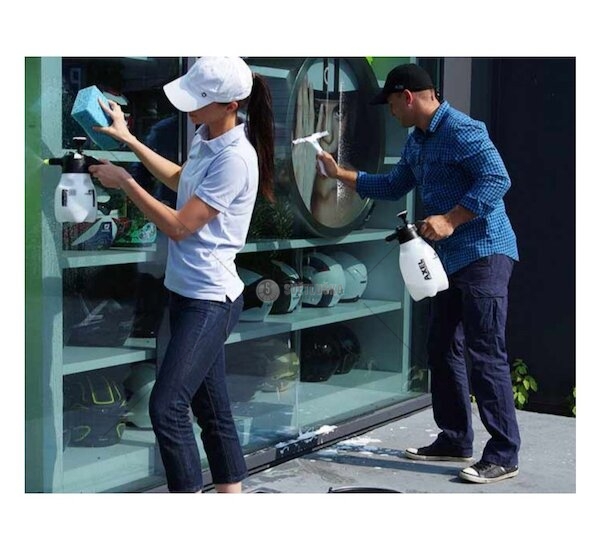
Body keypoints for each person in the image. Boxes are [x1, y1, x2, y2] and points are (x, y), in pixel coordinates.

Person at [317, 63, 521, 484]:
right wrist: (339, 174)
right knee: (441, 347)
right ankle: (455, 438)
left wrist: (450, 219)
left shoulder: (464, 130)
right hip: (449, 261)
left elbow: (497, 179)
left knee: (485, 353)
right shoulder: (418, 141)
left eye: (392, 103)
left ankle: (504, 453)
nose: (391, 112)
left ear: (407, 97)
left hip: (485, 253)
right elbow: (394, 185)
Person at [88, 56, 275, 493]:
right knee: (212, 409)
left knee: (167, 407)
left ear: (230, 105)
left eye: (198, 100)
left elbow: (179, 226)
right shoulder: (205, 138)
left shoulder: (236, 159)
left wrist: (125, 182)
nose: (188, 108)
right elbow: (180, 180)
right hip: (186, 294)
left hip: (209, 301)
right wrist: (128, 140)